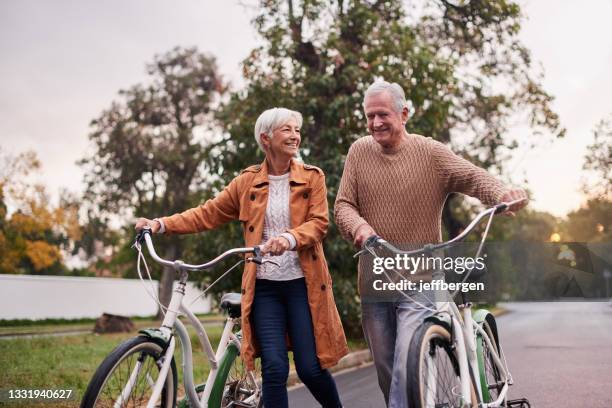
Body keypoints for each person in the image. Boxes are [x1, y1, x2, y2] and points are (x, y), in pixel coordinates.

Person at [135, 107, 348, 408]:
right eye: (287, 129)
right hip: (264, 287)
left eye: (297, 130)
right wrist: (161, 224)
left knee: (310, 368)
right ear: (266, 137)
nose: (295, 135)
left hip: (302, 284)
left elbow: (319, 223)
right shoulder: (247, 182)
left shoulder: (312, 178)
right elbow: (207, 213)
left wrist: (288, 238)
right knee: (273, 369)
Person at [334, 80, 527, 407]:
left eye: (383, 114)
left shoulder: (430, 152)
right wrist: (360, 227)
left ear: (404, 113)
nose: (375, 123)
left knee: (409, 361)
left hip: (423, 277)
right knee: (387, 372)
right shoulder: (359, 151)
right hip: (375, 279)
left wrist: (501, 195)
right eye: (370, 116)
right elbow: (342, 206)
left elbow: (473, 176)